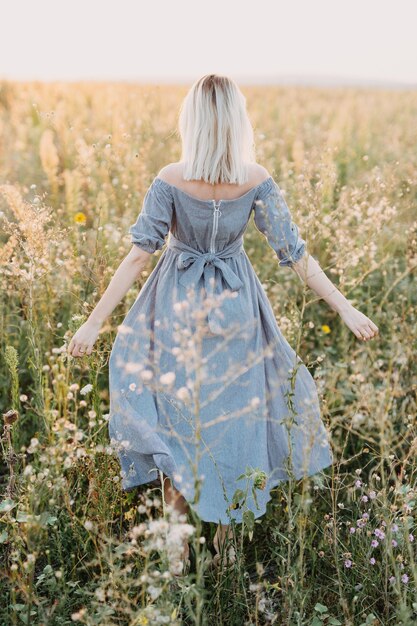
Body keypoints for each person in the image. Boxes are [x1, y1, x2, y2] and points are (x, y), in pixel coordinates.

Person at [67, 74, 379, 575]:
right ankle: (226, 548)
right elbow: (296, 255)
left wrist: (92, 324)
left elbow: (137, 257)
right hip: (237, 308)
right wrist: (344, 306)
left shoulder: (170, 176)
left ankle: (177, 549)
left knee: (174, 424)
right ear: (238, 120)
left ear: (191, 120)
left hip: (174, 307)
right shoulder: (255, 177)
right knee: (233, 423)